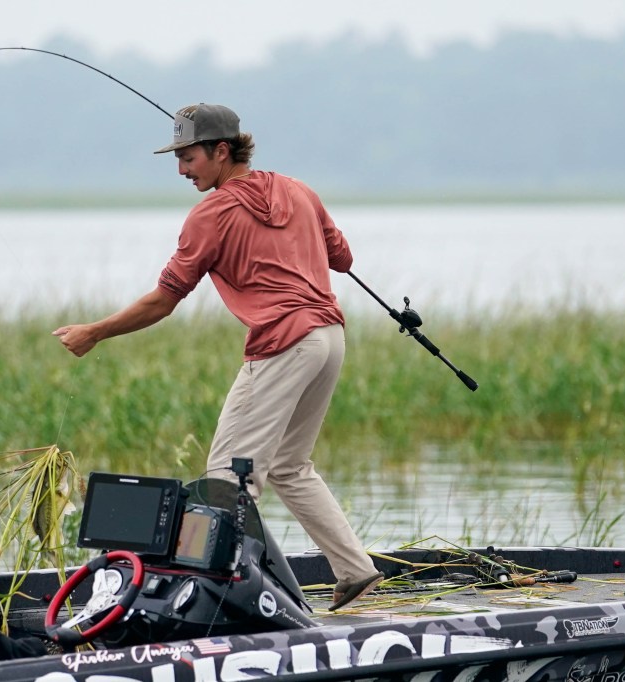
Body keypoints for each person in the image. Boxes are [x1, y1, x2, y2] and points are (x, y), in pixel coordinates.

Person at [52, 103, 383, 610]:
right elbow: (343, 258)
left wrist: (95, 332)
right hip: (329, 337)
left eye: (188, 158)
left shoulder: (210, 214)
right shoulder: (299, 190)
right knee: (289, 466)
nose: (181, 170)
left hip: (284, 343)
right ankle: (355, 570)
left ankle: (239, 596)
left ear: (221, 151)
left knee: (227, 479)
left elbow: (163, 301)